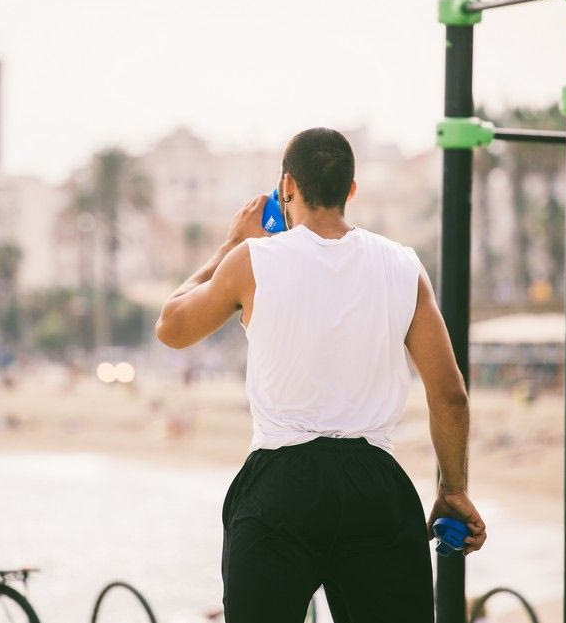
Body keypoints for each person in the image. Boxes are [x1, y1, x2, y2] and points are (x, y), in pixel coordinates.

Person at [154, 128, 487, 623]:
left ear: (287, 186)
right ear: (351, 190)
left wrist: (229, 244)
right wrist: (453, 490)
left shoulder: (252, 261)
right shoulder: (403, 266)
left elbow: (172, 327)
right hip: (374, 485)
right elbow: (451, 396)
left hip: (280, 485)